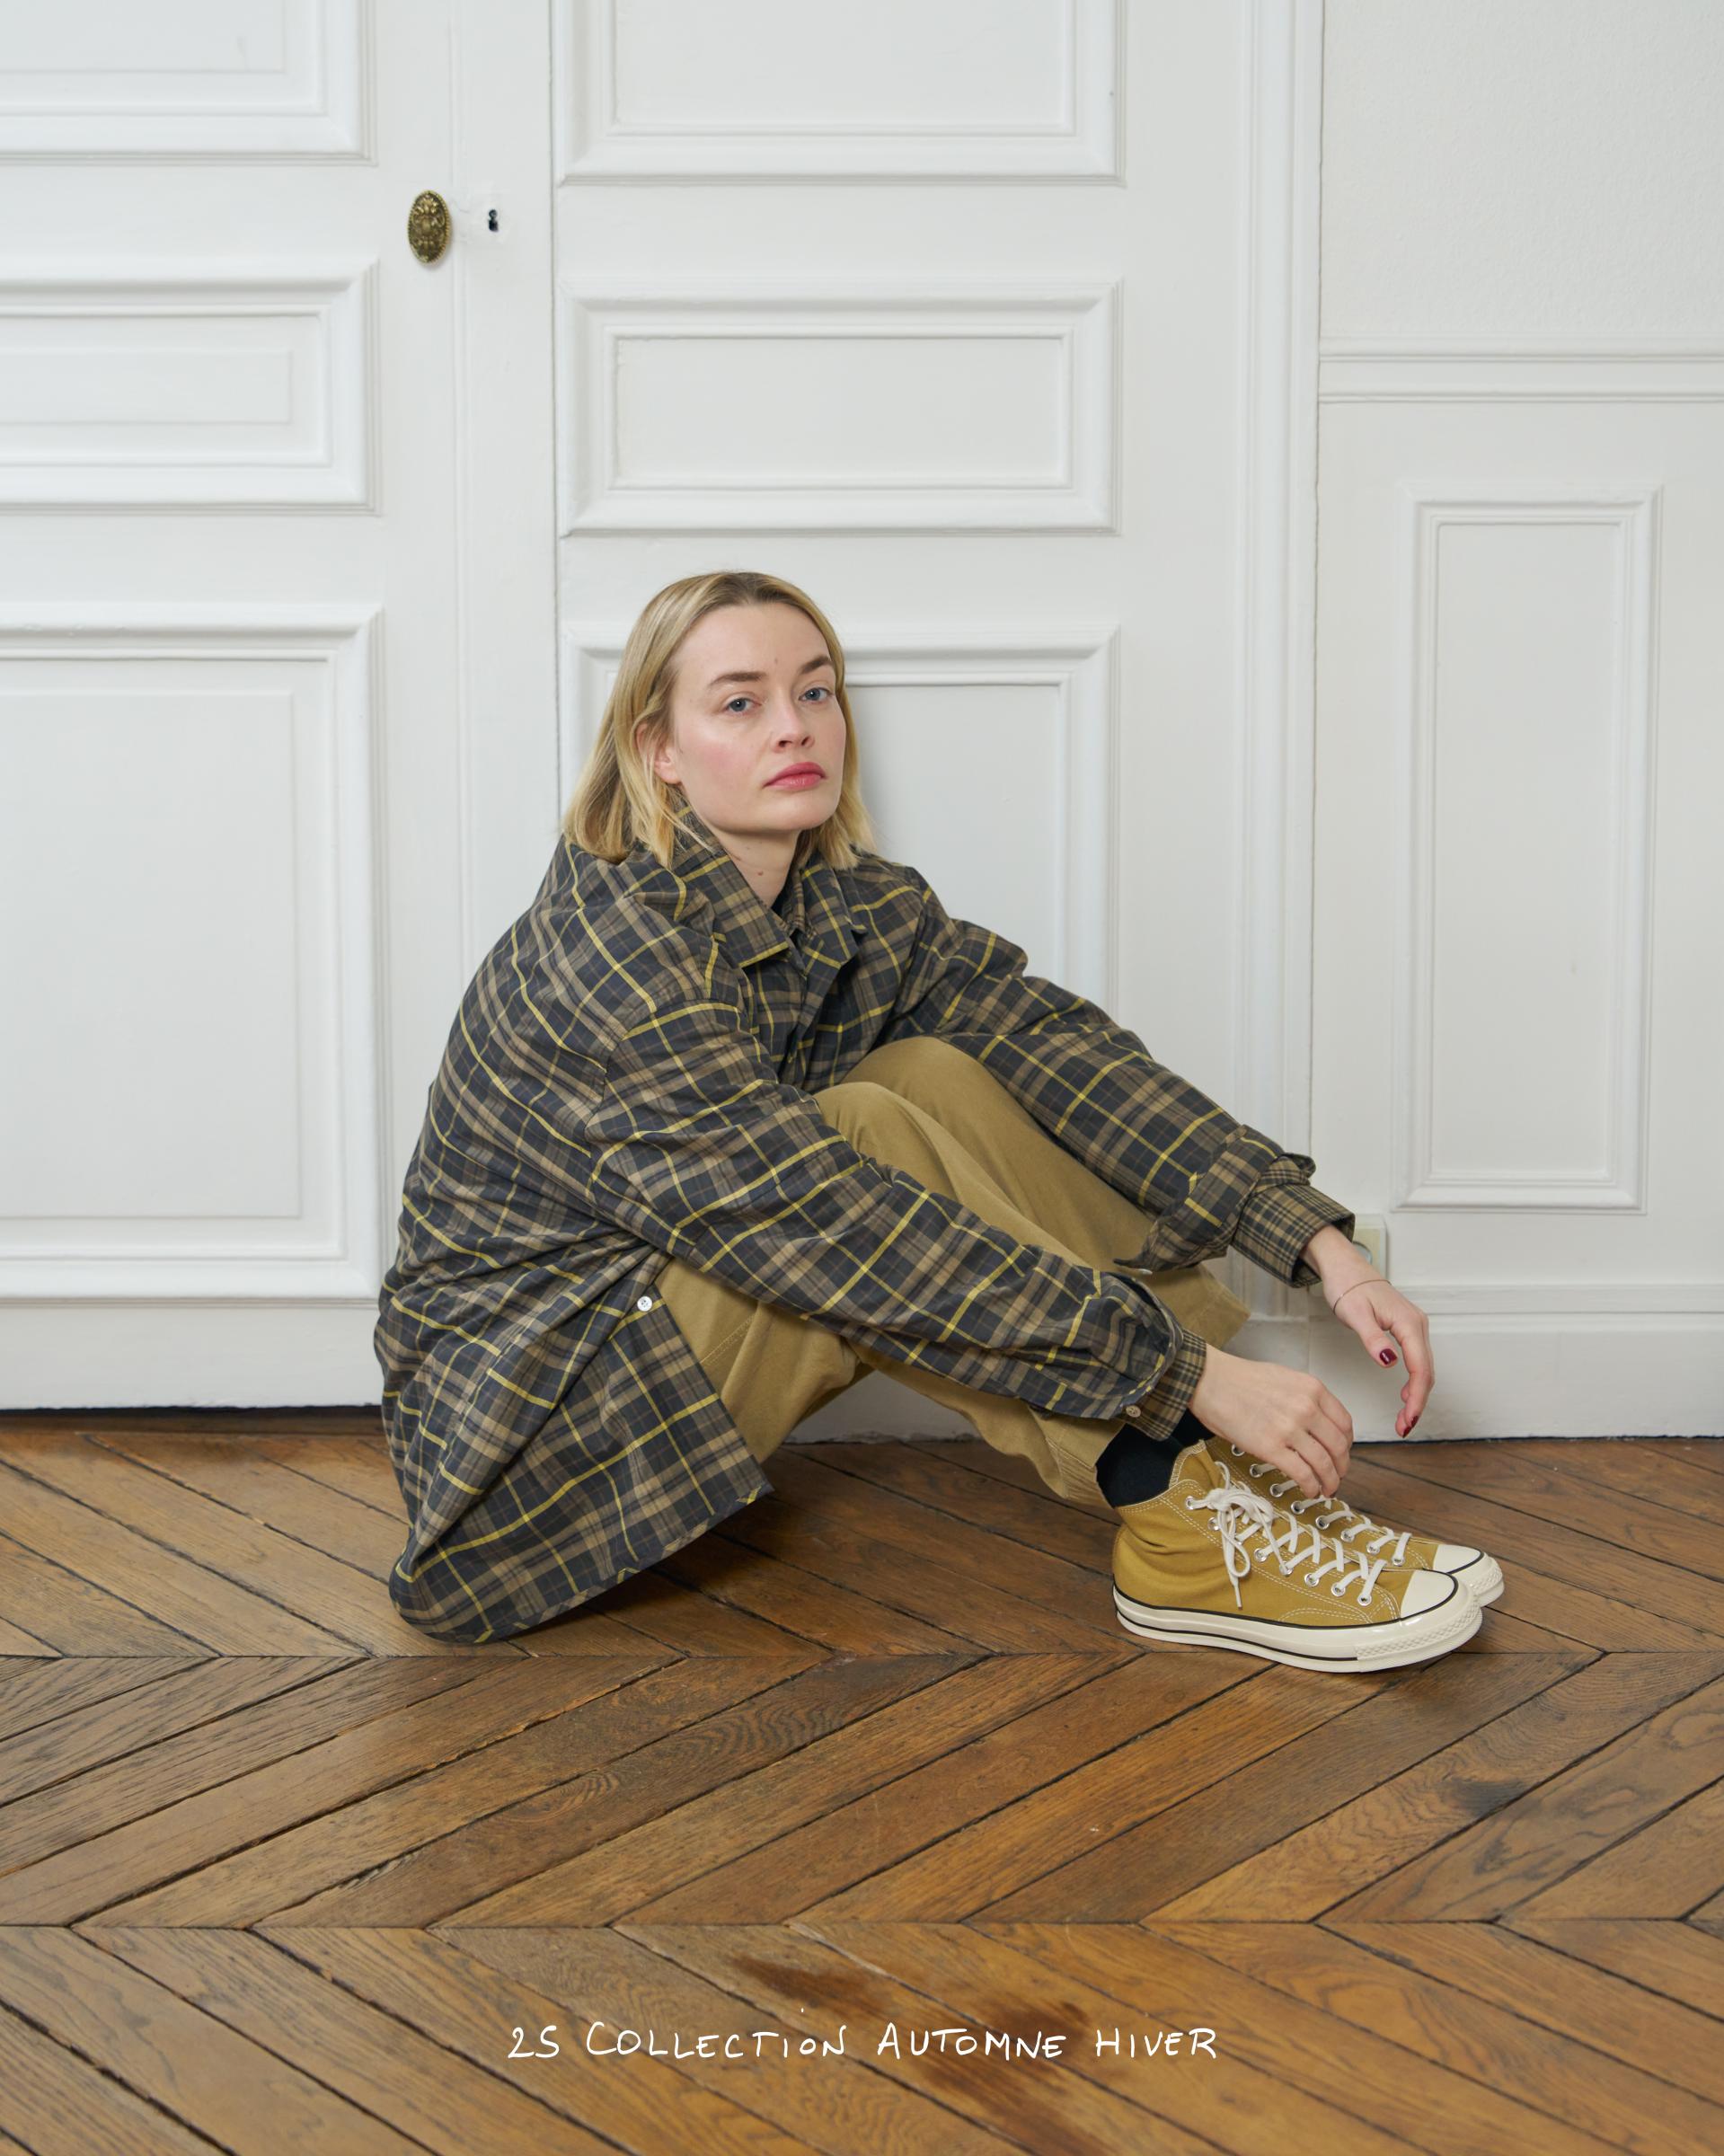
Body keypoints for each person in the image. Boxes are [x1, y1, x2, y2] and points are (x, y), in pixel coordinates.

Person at [374, 569, 1501, 1668]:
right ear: (657, 750)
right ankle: (1178, 1510)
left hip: (660, 1348)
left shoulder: (852, 906)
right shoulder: (606, 963)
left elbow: (1061, 1056)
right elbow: (831, 1225)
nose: (793, 725)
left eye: (815, 690)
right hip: (534, 1454)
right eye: (740, 703)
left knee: (934, 1071)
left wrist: (1314, 1242)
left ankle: (1214, 1482)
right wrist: (1184, 1369)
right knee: (859, 1137)